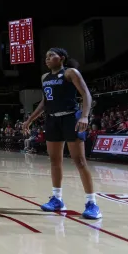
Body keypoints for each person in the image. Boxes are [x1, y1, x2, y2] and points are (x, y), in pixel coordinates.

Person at [22, 47, 102, 220]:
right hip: (52, 120)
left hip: (70, 118)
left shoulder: (70, 73)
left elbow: (86, 94)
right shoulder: (45, 77)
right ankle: (57, 199)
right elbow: (45, 102)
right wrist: (30, 120)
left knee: (79, 161)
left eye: (52, 55)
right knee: (54, 161)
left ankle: (92, 203)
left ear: (62, 58)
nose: (48, 58)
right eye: (46, 56)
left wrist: (85, 116)